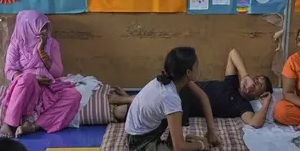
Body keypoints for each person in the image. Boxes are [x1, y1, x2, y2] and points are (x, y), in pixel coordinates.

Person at [109, 48, 275, 128]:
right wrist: (244, 75)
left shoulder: (242, 105)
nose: (253, 83)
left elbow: (254, 123)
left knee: (121, 112)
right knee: (155, 94)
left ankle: (121, 103)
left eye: (258, 85)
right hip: (183, 87)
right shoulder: (232, 82)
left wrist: (266, 103)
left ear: (259, 95)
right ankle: (126, 98)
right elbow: (232, 53)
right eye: (254, 79)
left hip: (183, 105)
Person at [125, 47, 220, 151]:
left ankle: (177, 139)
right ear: (188, 72)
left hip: (153, 125)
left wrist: (211, 131)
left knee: (185, 93)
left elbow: (203, 97)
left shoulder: (173, 79)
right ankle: (176, 142)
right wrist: (201, 145)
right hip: (139, 141)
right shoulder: (170, 97)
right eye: (196, 65)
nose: (198, 68)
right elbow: (179, 147)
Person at [0, 10, 81, 138]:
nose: (44, 32)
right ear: (29, 28)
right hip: (26, 85)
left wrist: (42, 51)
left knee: (74, 95)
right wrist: (33, 78)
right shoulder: (16, 44)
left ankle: (34, 125)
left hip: (48, 85)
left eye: (45, 28)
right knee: (27, 78)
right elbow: (9, 71)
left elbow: (58, 72)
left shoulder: (52, 43)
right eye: (40, 28)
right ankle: (9, 122)